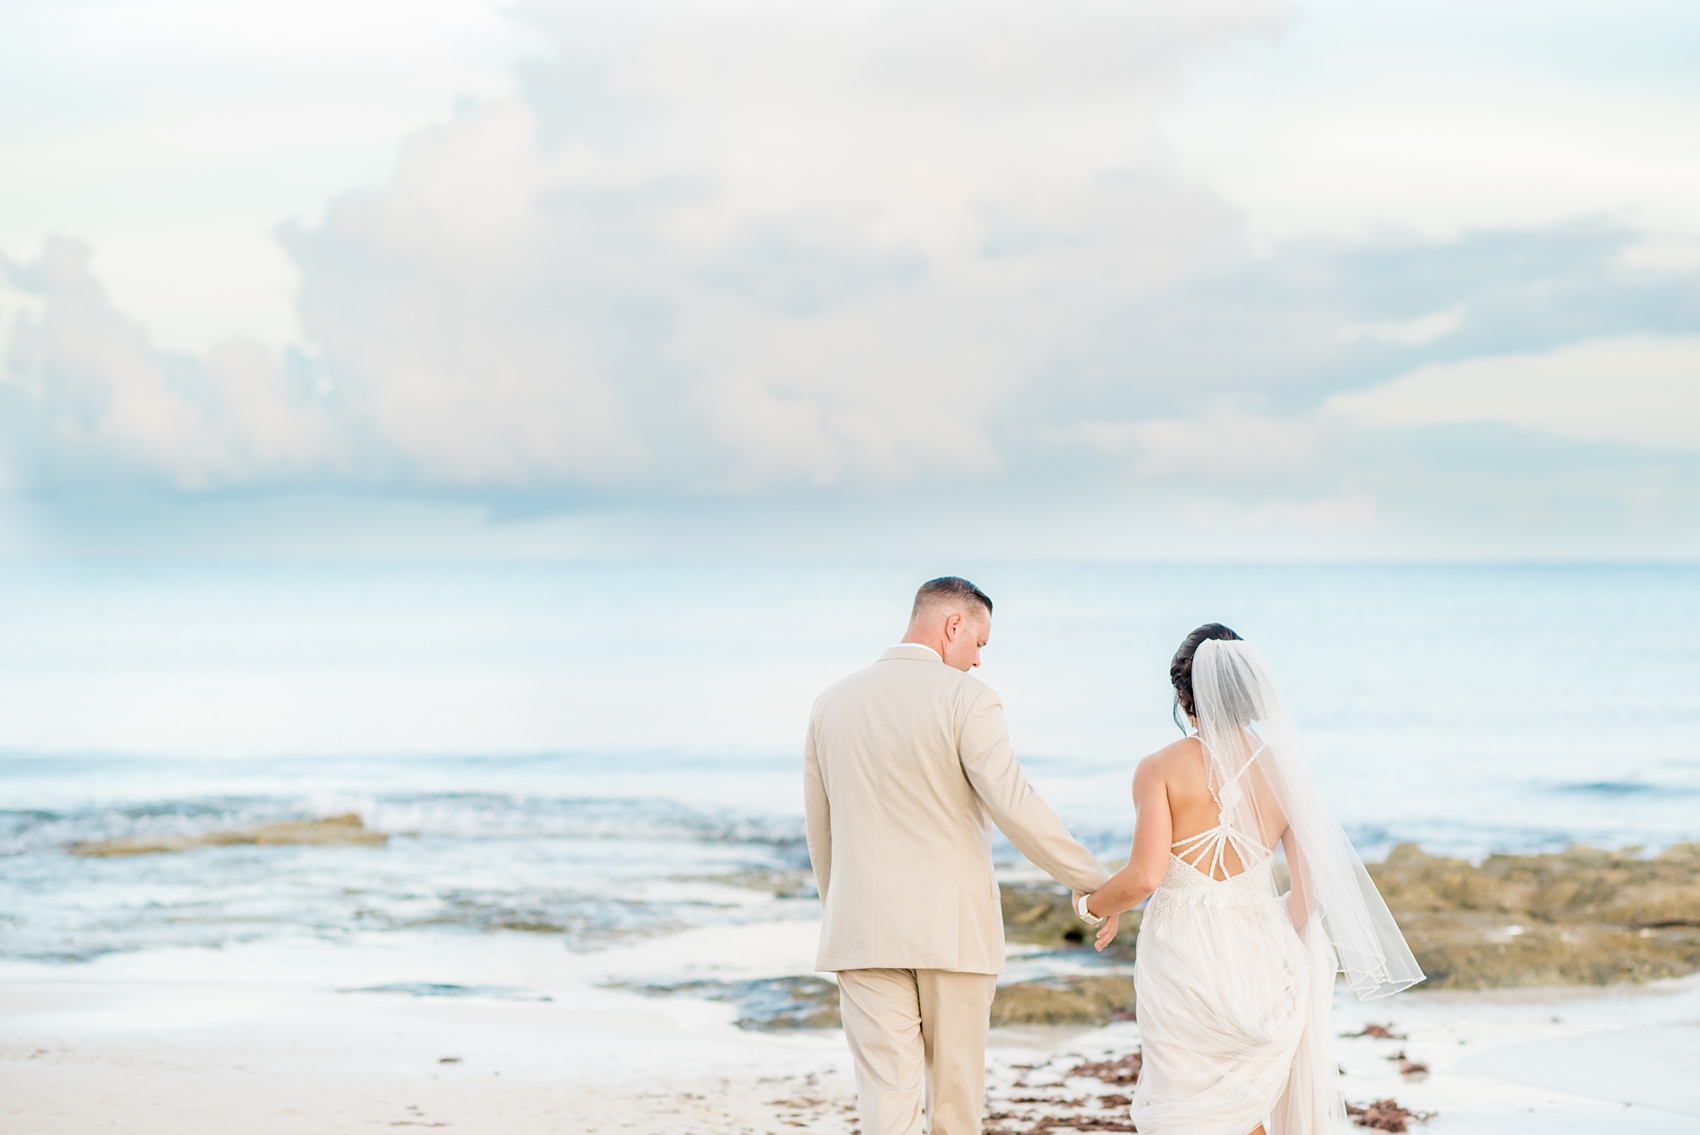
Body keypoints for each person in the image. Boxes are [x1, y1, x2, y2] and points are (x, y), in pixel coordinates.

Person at [1081, 623, 1424, 1135]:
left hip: (1182, 954)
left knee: (1186, 1105)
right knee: (1242, 1111)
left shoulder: (1159, 768)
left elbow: (1145, 876)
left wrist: (1090, 904)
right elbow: (1312, 890)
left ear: (1183, 694)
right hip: (1261, 953)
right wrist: (1261, 928)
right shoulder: (1285, 771)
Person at [803, 576, 1109, 1135]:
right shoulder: (968, 699)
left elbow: (821, 832)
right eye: (978, 644)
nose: (976, 662)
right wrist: (1093, 880)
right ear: (953, 626)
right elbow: (1016, 804)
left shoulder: (832, 702)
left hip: (860, 932)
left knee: (885, 1107)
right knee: (955, 1105)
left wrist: (840, 911)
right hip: (952, 934)